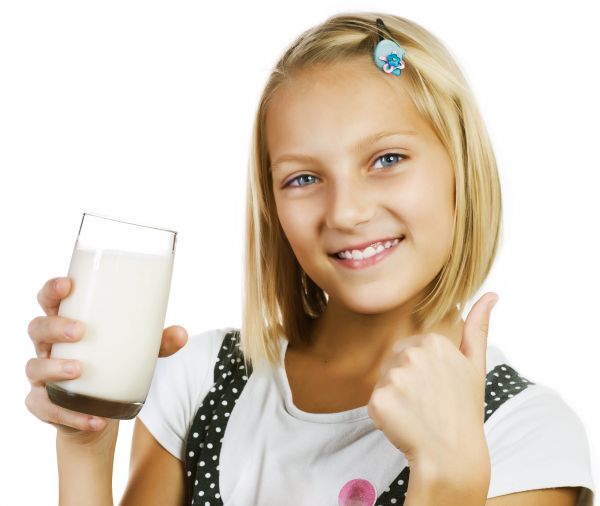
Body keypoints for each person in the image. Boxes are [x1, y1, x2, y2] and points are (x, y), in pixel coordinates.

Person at [25, 11, 595, 506]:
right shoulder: (199, 382)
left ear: (460, 168)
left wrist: (450, 477)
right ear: (272, 207)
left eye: (387, 158)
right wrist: (85, 445)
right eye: (302, 177)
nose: (345, 211)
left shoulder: (523, 433)